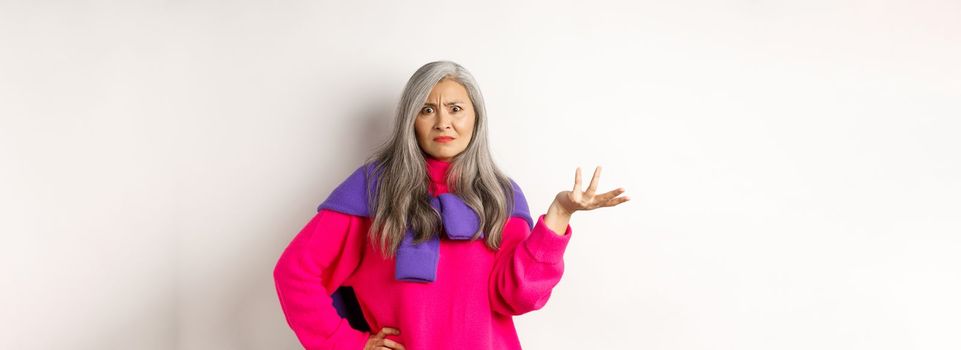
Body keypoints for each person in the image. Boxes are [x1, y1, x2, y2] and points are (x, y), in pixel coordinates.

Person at [273, 60, 629, 350]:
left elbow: (519, 297)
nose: (443, 121)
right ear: (410, 120)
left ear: (475, 117)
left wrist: (559, 214)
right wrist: (348, 344)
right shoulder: (372, 187)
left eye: (455, 108)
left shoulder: (501, 194)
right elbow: (295, 272)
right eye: (427, 109)